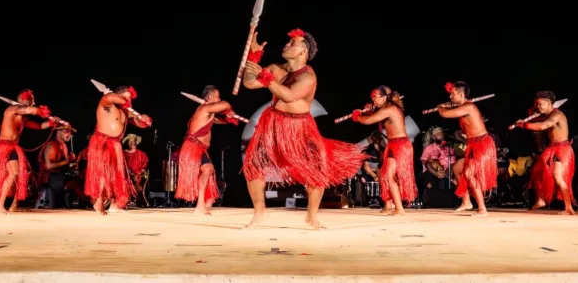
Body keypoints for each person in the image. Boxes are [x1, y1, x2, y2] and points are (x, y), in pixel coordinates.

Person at [241, 28, 368, 230]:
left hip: (299, 127)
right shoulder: (275, 68)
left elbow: (289, 96)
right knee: (253, 164)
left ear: (303, 51)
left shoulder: (308, 76)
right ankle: (260, 212)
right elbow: (248, 83)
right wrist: (254, 57)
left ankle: (311, 216)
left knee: (316, 170)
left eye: (293, 43)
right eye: (288, 42)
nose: (287, 45)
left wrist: (266, 77)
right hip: (273, 123)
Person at [86, 85, 152, 215]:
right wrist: (123, 102)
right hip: (102, 141)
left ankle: (114, 204)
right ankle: (98, 201)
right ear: (118, 95)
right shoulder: (107, 104)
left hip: (115, 144)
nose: (128, 101)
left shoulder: (125, 112)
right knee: (103, 173)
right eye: (125, 97)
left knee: (117, 175)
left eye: (129, 99)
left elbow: (138, 123)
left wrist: (144, 121)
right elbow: (110, 96)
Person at [351, 85, 416, 216]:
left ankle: (399, 209)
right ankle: (389, 205)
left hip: (400, 145)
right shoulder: (387, 108)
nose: (373, 100)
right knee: (385, 174)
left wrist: (358, 116)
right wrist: (369, 111)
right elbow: (375, 116)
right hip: (394, 144)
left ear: (384, 97)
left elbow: (368, 121)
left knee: (388, 175)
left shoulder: (390, 109)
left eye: (375, 97)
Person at [175, 85, 239, 215]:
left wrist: (228, 118)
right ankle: (200, 206)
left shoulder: (207, 111)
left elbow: (217, 120)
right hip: (193, 147)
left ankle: (205, 203)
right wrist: (228, 110)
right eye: (217, 96)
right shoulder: (205, 108)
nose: (220, 98)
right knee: (208, 169)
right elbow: (225, 104)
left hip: (198, 148)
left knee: (208, 170)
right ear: (210, 97)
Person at [0, 89, 59, 215]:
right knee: (14, 173)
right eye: (31, 100)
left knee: (19, 174)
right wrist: (41, 111)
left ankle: (13, 205)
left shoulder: (22, 118)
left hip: (13, 147)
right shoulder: (11, 109)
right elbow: (31, 110)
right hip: (4, 147)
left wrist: (51, 122)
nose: (33, 102)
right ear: (21, 99)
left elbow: (39, 126)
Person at [436, 81, 496, 216]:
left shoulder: (468, 107)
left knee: (469, 174)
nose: (450, 97)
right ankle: (466, 201)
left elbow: (445, 114)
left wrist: (441, 108)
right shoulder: (464, 106)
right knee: (457, 169)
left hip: (482, 144)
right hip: (473, 144)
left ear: (461, 94)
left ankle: (482, 209)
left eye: (453, 94)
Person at [513, 90, 575, 215]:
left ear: (549, 103)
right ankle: (540, 200)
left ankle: (569, 208)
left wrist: (525, 125)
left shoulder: (557, 115)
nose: (537, 107)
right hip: (551, 148)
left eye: (540, 104)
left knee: (558, 176)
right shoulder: (548, 115)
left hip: (562, 149)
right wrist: (528, 120)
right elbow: (540, 121)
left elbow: (542, 126)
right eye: (536, 104)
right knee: (536, 171)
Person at [37, 126, 77, 209]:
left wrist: (72, 163)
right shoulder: (52, 146)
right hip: (49, 178)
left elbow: (63, 165)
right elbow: (49, 166)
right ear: (58, 132)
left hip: (58, 176)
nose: (69, 134)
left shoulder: (64, 146)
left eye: (70, 132)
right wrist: (67, 161)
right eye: (66, 131)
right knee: (73, 182)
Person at [123, 133, 149, 201]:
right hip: (125, 175)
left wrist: (139, 173)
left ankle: (133, 199)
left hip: (137, 176)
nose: (132, 143)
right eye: (130, 142)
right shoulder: (124, 153)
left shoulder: (141, 154)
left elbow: (144, 166)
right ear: (128, 143)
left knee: (134, 179)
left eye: (134, 141)